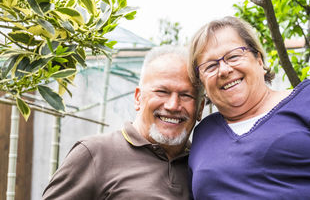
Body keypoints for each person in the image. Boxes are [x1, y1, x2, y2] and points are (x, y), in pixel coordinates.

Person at [187, 16, 310, 199]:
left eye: (234, 56)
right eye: (210, 66)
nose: (224, 70)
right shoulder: (203, 134)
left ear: (259, 59)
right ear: (202, 83)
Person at [42, 45, 204, 199]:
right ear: (138, 98)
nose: (173, 105)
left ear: (200, 108)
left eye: (186, 95)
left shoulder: (202, 163)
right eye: (162, 92)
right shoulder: (94, 154)